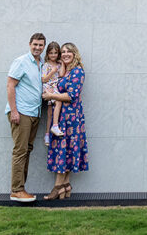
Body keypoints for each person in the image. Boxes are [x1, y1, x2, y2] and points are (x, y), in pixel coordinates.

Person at [42, 42, 89, 199]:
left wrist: (51, 96)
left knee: (65, 148)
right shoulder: (66, 71)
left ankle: (57, 187)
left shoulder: (78, 72)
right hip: (61, 116)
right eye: (63, 52)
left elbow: (71, 96)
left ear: (75, 53)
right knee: (65, 149)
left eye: (69, 51)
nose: (65, 54)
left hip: (72, 118)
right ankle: (65, 185)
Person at [5, 32, 45, 203]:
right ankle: (17, 190)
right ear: (30, 44)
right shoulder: (21, 61)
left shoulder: (41, 64)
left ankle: (21, 188)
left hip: (34, 113)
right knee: (20, 151)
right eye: (35, 44)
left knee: (27, 150)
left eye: (40, 45)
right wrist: (14, 111)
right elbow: (10, 85)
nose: (37, 47)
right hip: (22, 113)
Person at [41, 42, 63, 146]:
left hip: (55, 87)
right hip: (48, 87)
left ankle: (47, 134)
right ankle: (53, 126)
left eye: (55, 53)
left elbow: (62, 74)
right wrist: (52, 71)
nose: (53, 55)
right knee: (57, 102)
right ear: (47, 54)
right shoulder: (46, 65)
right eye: (51, 53)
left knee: (50, 112)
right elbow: (44, 79)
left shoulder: (59, 64)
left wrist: (62, 63)